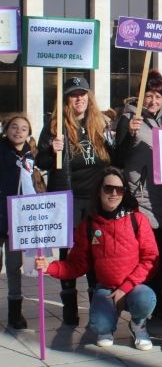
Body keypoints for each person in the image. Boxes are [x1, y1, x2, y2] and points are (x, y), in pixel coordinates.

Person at [34, 168, 158, 349]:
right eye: (108, 188)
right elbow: (77, 264)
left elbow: (150, 259)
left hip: (133, 287)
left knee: (146, 299)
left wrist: (125, 288)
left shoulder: (137, 220)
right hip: (106, 289)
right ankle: (108, 324)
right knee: (99, 325)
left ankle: (138, 324)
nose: (114, 193)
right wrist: (49, 267)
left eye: (119, 189)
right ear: (99, 190)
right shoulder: (89, 225)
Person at [36, 75, 114, 325]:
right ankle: (69, 304)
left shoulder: (100, 124)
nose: (79, 98)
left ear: (89, 97)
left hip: (95, 201)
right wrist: (52, 150)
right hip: (67, 198)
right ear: (67, 99)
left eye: (82, 94)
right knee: (68, 253)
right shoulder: (54, 125)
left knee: (94, 251)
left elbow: (116, 156)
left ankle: (95, 307)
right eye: (73, 94)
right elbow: (41, 163)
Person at [114, 69, 162, 317]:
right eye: (149, 95)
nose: (153, 101)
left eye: (158, 96)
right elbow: (117, 157)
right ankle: (144, 304)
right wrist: (130, 134)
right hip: (141, 196)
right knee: (146, 253)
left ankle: (161, 305)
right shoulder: (130, 118)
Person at [0, 114, 39, 329]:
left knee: (14, 267)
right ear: (6, 130)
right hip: (0, 214)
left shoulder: (29, 155)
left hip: (17, 220)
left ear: (28, 133)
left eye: (23, 128)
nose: (18, 131)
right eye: (14, 127)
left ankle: (15, 312)